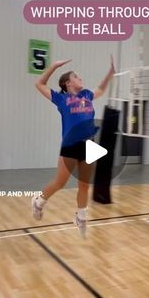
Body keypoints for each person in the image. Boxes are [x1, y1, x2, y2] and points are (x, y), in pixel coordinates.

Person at [32, 55, 115, 238]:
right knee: (59, 183)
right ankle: (38, 201)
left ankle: (81, 216)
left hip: (88, 145)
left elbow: (101, 88)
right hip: (70, 145)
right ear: (68, 83)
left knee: (84, 186)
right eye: (77, 77)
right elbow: (39, 84)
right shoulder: (61, 99)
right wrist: (53, 66)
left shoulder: (87, 95)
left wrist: (111, 72)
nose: (81, 79)